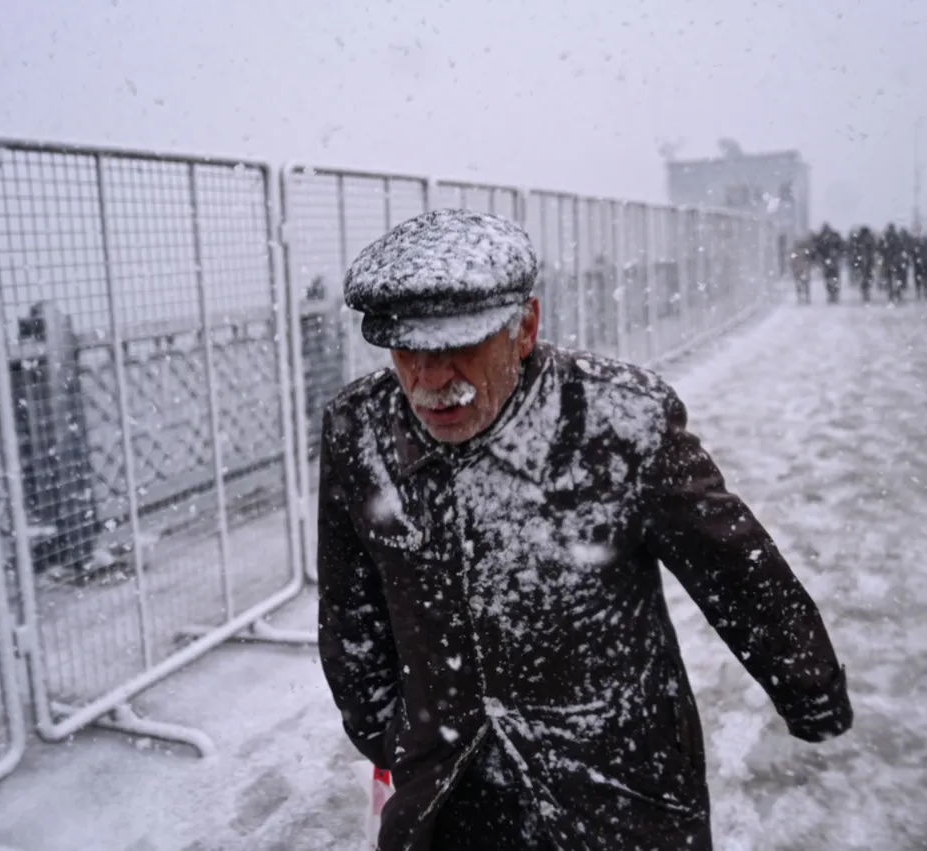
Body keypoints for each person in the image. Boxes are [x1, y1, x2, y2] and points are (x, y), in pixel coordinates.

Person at [317, 209, 853, 851]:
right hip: (446, 801)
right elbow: (352, 615)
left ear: (525, 329)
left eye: (457, 347)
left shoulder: (620, 424)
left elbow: (736, 567)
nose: (430, 382)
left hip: (621, 795)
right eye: (408, 351)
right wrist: (393, 734)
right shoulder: (359, 431)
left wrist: (808, 688)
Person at [815, 223, 846, 303]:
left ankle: (833, 294)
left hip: (830, 261)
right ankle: (833, 294)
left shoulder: (823, 238)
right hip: (829, 261)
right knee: (832, 278)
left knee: (830, 278)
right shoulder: (826, 238)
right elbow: (818, 250)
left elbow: (818, 249)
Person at [878, 223, 907, 303]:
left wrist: (884, 255)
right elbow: (902, 248)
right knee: (897, 279)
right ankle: (898, 294)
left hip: (888, 262)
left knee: (889, 279)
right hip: (897, 262)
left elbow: (879, 249)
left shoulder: (885, 237)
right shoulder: (897, 237)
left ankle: (891, 295)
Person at [849, 225, 877, 303]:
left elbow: (854, 249)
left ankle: (865, 292)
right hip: (867, 262)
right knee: (867, 278)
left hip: (862, 262)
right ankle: (866, 292)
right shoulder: (869, 238)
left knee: (864, 278)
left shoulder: (859, 238)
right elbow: (874, 248)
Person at [789, 235, 815, 304]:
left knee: (801, 285)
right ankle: (804, 298)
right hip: (801, 270)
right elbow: (792, 261)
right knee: (803, 285)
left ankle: (803, 298)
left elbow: (792, 261)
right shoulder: (803, 251)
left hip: (801, 270)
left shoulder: (799, 252)